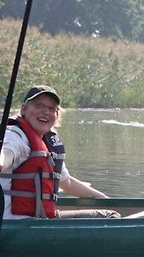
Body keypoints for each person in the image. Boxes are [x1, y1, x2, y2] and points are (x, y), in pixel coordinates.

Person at [0, 85, 120, 219]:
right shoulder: (15, 136)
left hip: (39, 220)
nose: (45, 111)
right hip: (17, 225)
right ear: (24, 109)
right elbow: (7, 153)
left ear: (57, 115)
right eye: (39, 105)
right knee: (110, 216)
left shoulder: (49, 143)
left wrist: (104, 199)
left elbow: (67, 182)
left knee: (110, 211)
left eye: (51, 108)